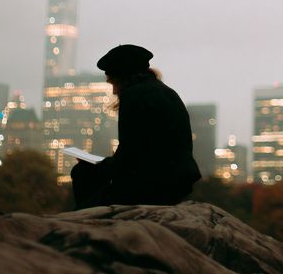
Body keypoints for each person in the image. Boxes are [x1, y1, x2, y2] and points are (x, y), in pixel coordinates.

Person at [71, 44, 201, 209]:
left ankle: (90, 224)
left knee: (82, 173)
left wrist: (97, 165)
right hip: (178, 183)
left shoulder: (133, 96)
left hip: (152, 186)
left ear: (122, 78)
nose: (113, 92)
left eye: (112, 83)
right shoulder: (167, 92)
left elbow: (128, 160)